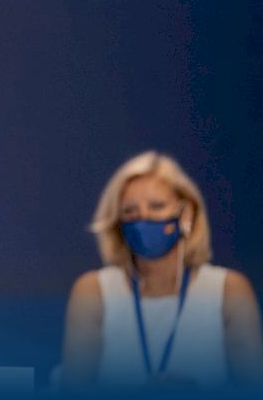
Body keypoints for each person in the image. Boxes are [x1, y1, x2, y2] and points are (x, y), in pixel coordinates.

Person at [61, 151, 263, 390]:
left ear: (186, 214)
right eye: (130, 211)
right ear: (117, 222)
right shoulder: (93, 291)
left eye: (157, 206)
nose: (143, 218)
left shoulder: (229, 290)